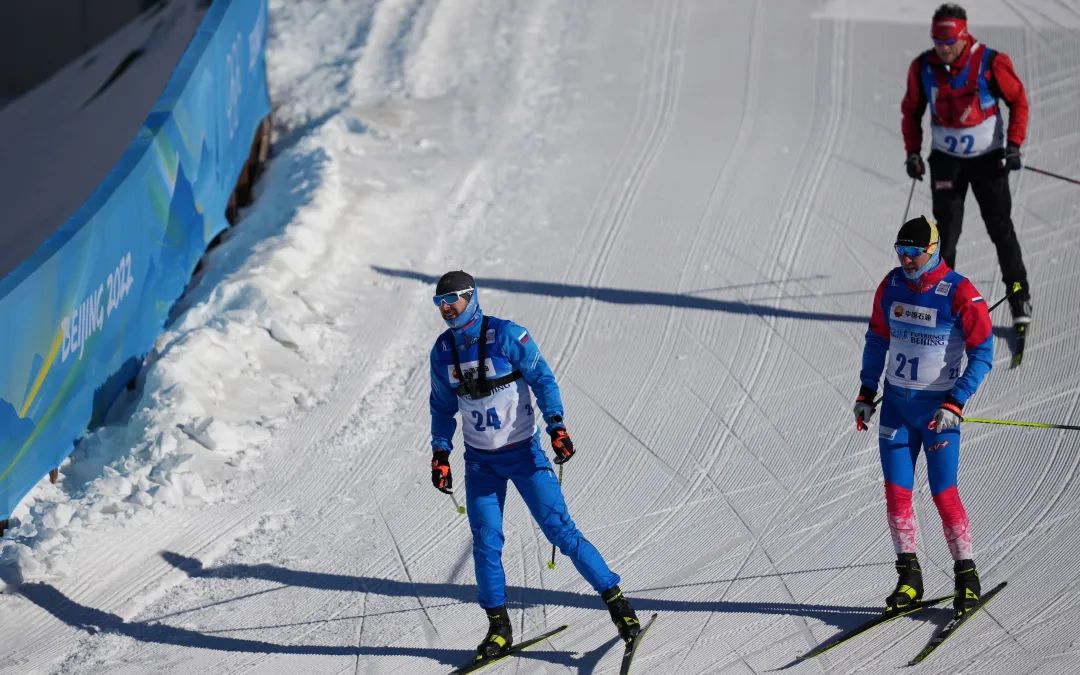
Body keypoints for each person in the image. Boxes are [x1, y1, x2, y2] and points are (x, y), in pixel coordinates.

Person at [427, 270, 640, 659]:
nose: (445, 309)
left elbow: (543, 379)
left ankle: (619, 606)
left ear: (471, 296)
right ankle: (498, 630)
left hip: (524, 454)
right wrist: (440, 454)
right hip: (480, 464)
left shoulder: (509, 336)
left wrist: (557, 425)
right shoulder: (442, 352)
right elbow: (441, 407)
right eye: (439, 303)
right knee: (486, 543)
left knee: (561, 531)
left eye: (451, 300)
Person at [853, 216, 993, 615]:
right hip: (896, 408)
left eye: (914, 253)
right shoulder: (892, 284)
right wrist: (867, 390)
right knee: (897, 495)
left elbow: (983, 354)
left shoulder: (960, 292)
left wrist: (956, 400)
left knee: (943, 492)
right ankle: (908, 578)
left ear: (933, 251)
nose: (907, 261)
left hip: (936, 414)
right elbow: (877, 338)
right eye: (901, 252)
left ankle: (967, 577)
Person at [901, 3, 1032, 330]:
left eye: (949, 42)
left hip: (988, 160)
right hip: (946, 162)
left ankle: (1019, 296)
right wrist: (913, 152)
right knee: (944, 237)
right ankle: (942, 305)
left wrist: (1014, 145)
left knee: (1001, 230)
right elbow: (911, 111)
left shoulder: (990, 62)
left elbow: (1018, 100)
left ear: (963, 35)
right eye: (937, 41)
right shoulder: (923, 67)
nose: (943, 49)